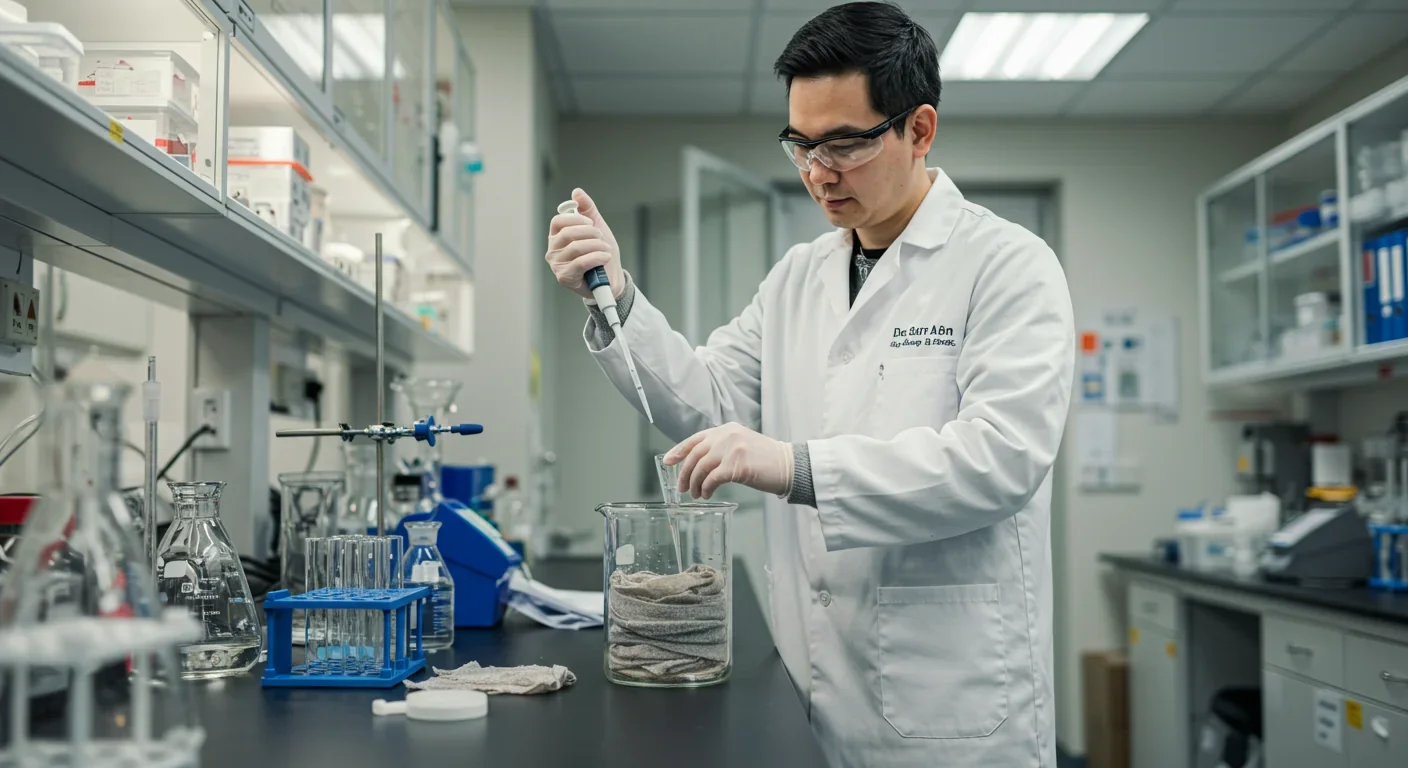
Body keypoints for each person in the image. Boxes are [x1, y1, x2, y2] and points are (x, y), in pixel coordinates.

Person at [544, 3, 1074, 765]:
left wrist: (795, 467)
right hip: (808, 686)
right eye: (801, 144)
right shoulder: (800, 276)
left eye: (846, 144)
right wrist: (617, 297)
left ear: (919, 130)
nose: (819, 172)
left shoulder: (1007, 264)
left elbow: (1001, 460)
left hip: (951, 704)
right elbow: (710, 403)